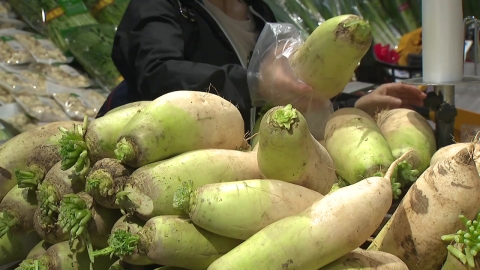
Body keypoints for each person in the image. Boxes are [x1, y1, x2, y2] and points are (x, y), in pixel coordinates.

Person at [97, 0, 426, 133]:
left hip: (249, 163)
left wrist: (353, 104)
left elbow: (287, 90)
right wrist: (253, 84)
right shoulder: (161, 5)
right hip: (165, 158)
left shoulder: (259, 12)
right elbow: (158, 74)